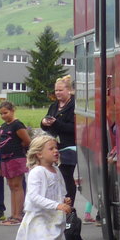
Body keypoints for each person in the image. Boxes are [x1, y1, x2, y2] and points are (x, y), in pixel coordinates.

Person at [9, 135, 81, 240]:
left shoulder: (56, 171)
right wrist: (57, 205)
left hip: (51, 220)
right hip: (38, 219)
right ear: (39, 154)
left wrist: (64, 201)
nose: (56, 151)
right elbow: (33, 197)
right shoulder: (37, 172)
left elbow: (61, 192)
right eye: (51, 148)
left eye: (56, 148)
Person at [0, 101, 30, 225]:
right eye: (1, 113)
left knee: (17, 186)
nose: (3, 115)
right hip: (5, 159)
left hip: (16, 158)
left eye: (6, 113)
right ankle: (13, 214)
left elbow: (26, 141)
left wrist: (17, 150)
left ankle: (18, 215)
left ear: (13, 110)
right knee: (12, 187)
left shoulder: (17, 125)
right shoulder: (4, 126)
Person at [41, 76, 77, 205]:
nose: (57, 93)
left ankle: (69, 206)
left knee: (66, 176)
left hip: (71, 146)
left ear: (69, 90)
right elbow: (45, 122)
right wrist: (44, 122)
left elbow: (74, 128)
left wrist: (56, 123)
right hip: (55, 145)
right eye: (56, 90)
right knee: (58, 176)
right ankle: (60, 203)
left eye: (60, 90)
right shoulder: (54, 105)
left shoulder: (74, 105)